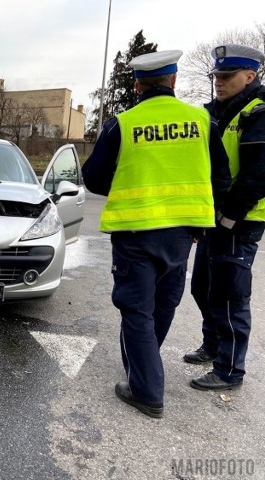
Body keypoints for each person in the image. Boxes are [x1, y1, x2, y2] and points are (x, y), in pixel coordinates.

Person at [82, 50, 231, 418]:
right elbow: (221, 177)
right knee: (163, 304)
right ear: (174, 81)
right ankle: (142, 362)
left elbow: (94, 178)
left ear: (137, 85)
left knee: (136, 309)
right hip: (183, 234)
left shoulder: (124, 123)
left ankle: (147, 390)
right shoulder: (203, 120)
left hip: (136, 233)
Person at [184, 44, 265, 391]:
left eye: (226, 76)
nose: (219, 81)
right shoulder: (213, 112)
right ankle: (212, 344)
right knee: (203, 286)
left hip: (240, 219)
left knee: (230, 295)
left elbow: (259, 174)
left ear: (250, 76)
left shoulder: (259, 112)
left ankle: (230, 369)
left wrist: (230, 214)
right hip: (213, 218)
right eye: (216, 76)